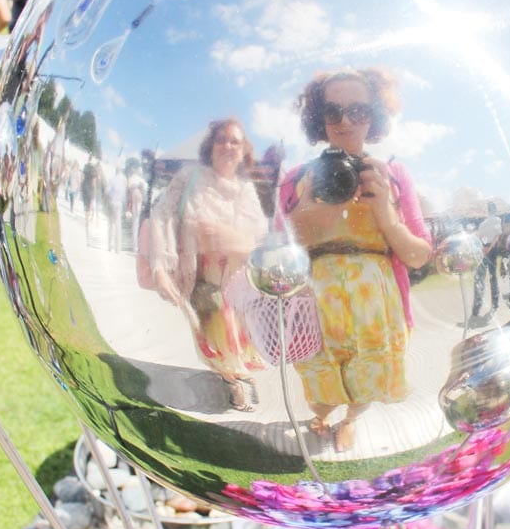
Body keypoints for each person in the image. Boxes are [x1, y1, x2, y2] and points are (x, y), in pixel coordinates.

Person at [278, 68, 432, 452]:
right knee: (319, 383)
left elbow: (418, 255)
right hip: (314, 301)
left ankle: (349, 419)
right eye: (333, 111)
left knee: (367, 380)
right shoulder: (298, 177)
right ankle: (323, 413)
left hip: (375, 302)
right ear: (318, 117)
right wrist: (307, 215)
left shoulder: (391, 173)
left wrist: (386, 211)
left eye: (359, 111)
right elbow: (274, 253)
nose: (345, 121)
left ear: (375, 115)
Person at [148, 118, 268, 412]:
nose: (227, 146)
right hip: (201, 278)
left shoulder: (245, 191)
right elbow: (162, 215)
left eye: (235, 142)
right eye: (221, 140)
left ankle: (234, 374)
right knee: (216, 326)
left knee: (238, 336)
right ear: (211, 146)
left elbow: (256, 237)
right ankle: (232, 377)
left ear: (243, 152)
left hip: (237, 282)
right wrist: (160, 268)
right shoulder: (190, 177)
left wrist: (229, 237)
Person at [470, 201, 502, 323]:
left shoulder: (483, 224)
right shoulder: (497, 220)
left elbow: (480, 237)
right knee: (493, 278)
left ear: (488, 210)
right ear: (495, 210)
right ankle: (495, 303)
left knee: (480, 279)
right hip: (492, 250)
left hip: (483, 249)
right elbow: (497, 236)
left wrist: (484, 248)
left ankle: (476, 308)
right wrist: (490, 247)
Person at [106, 167, 128, 253]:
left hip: (113, 202)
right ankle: (118, 248)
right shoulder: (124, 180)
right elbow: (125, 195)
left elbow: (107, 191)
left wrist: (112, 195)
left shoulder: (112, 179)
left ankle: (109, 245)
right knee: (118, 225)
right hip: (120, 203)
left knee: (111, 224)